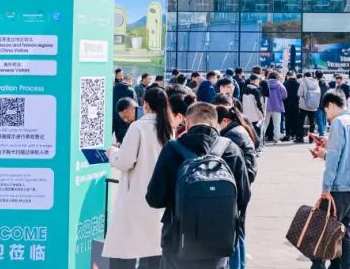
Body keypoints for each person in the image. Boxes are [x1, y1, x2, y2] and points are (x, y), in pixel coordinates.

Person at [145, 102, 252, 269]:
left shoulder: (172, 149)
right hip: (218, 243)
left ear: (187, 124)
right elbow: (244, 197)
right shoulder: (231, 149)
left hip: (177, 243)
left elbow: (154, 198)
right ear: (216, 124)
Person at [103, 87, 174, 269]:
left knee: (126, 248)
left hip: (136, 195)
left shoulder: (138, 127)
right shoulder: (168, 128)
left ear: (146, 104)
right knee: (153, 249)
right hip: (159, 197)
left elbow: (125, 161)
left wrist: (113, 153)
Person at [308, 90, 350, 269]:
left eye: (326, 111)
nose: (327, 116)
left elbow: (334, 159)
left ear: (332, 105)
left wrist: (325, 188)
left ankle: (317, 266)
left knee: (324, 231)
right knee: (347, 232)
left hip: (339, 187)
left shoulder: (338, 123)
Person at [214, 96, 259, 269]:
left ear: (224, 121)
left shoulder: (233, 135)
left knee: (233, 234)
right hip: (242, 185)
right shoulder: (238, 129)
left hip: (237, 187)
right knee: (237, 231)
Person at [261, 72, 287, 144]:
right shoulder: (280, 84)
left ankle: (261, 138)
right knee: (277, 124)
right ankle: (276, 139)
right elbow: (285, 95)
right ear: (277, 77)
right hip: (277, 106)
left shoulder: (265, 84)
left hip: (266, 107)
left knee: (265, 123)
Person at [298, 71, 322, 137]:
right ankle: (311, 138)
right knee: (312, 122)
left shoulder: (303, 82)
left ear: (305, 76)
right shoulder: (316, 82)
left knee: (301, 121)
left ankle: (300, 137)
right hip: (313, 106)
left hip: (304, 105)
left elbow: (299, 93)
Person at [283, 71, 302, 142]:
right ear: (294, 75)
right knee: (296, 120)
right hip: (296, 104)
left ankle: (288, 135)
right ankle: (295, 135)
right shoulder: (298, 84)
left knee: (288, 120)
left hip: (287, 104)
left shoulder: (285, 84)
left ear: (287, 76)